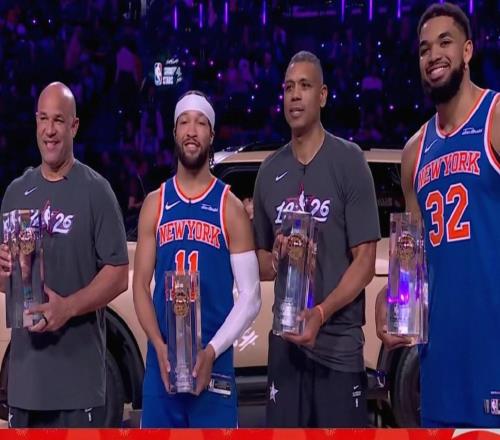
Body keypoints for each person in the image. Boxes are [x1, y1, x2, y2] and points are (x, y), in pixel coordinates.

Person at [375, 3, 500, 428]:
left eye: (445, 42)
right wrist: (390, 297)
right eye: (424, 48)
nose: (433, 55)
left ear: (467, 50)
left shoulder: (494, 117)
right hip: (439, 362)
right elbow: (409, 257)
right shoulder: (415, 150)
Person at [252, 51, 380, 428]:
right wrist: (275, 257)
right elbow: (260, 262)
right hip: (285, 346)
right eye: (288, 87)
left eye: (305, 86)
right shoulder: (269, 171)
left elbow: (365, 262)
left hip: (338, 347)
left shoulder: (349, 161)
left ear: (322, 96)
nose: (295, 95)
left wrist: (321, 313)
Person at [0, 82, 129, 427]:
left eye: (58, 120)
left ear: (74, 126)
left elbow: (118, 274)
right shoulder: (15, 193)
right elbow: (8, 280)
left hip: (78, 384)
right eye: (43, 119)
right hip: (26, 384)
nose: (50, 130)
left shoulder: (96, 191)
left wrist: (67, 307)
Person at [133, 90, 261, 428]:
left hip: (213, 367)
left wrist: (212, 351)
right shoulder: (155, 203)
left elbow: (251, 297)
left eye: (201, 123)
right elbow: (140, 287)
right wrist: (158, 345)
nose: (192, 131)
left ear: (212, 135)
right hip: (162, 368)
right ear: (174, 132)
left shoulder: (230, 207)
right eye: (185, 122)